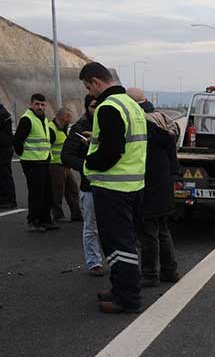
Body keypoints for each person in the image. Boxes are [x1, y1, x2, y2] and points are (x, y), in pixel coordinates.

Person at [79, 62, 148, 314]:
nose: (90, 93)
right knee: (125, 241)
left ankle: (127, 298)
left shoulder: (108, 107)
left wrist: (89, 159)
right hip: (133, 185)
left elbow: (111, 151)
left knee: (118, 245)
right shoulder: (132, 104)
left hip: (113, 188)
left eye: (89, 87)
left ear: (96, 81)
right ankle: (120, 289)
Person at [126, 87, 180, 288]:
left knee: (148, 232)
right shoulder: (163, 120)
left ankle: (149, 274)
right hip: (164, 183)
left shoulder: (142, 124)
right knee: (162, 229)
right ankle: (169, 270)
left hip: (148, 184)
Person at [62, 95, 104, 276]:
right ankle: (94, 262)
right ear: (87, 108)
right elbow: (67, 156)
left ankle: (115, 259)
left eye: (100, 106)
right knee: (91, 226)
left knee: (113, 226)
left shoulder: (111, 125)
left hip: (114, 185)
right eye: (94, 106)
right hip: (90, 185)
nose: (97, 109)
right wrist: (87, 167)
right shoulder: (79, 128)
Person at [13, 94, 56, 232]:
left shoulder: (43, 119)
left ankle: (45, 220)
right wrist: (22, 153)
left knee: (47, 192)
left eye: (43, 105)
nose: (40, 107)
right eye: (37, 104)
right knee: (37, 193)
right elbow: (17, 140)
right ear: (31, 104)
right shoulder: (27, 119)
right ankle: (34, 220)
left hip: (43, 159)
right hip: (32, 161)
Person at [47, 107, 83, 223]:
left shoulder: (63, 129)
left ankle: (76, 214)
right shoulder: (51, 129)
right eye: (69, 117)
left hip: (65, 165)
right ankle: (57, 215)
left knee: (72, 190)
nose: (70, 120)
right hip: (55, 165)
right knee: (57, 191)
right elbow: (47, 148)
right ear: (64, 117)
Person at [0, 101, 16, 209]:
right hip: (5, 148)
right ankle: (6, 198)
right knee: (4, 175)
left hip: (3, 150)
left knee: (4, 175)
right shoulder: (3, 113)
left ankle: (8, 199)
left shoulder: (2, 114)